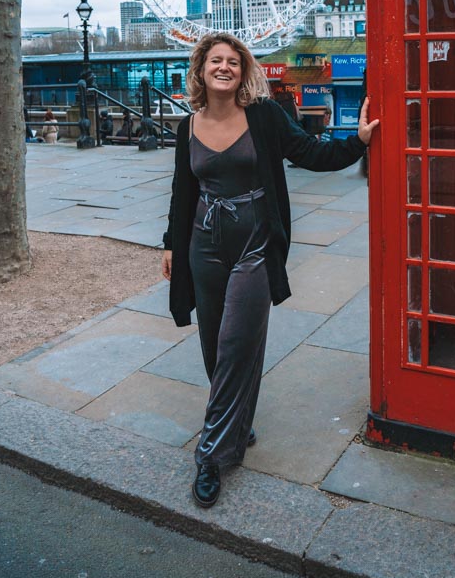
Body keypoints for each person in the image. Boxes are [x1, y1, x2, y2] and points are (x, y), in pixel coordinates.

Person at [162, 31, 378, 509]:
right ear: (200, 70)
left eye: (232, 62)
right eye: (214, 60)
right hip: (203, 245)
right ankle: (236, 420)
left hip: (256, 244)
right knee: (215, 345)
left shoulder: (262, 116)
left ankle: (212, 455)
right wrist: (172, 246)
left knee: (239, 341)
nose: (223, 67)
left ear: (243, 71)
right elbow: (183, 192)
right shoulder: (188, 127)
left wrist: (356, 142)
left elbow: (309, 153)